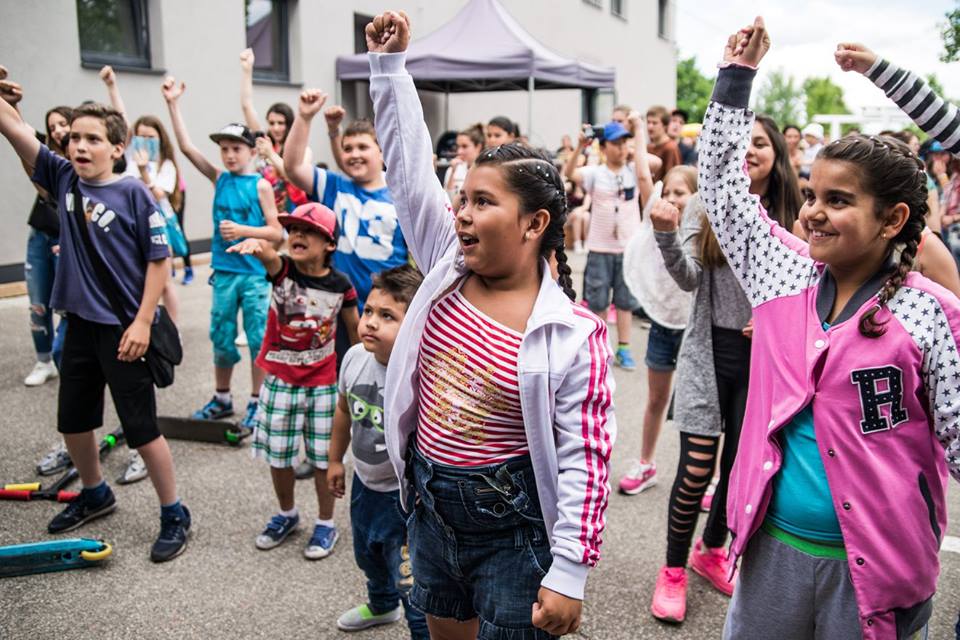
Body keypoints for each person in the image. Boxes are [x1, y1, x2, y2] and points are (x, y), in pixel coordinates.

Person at [705, 19, 960, 639]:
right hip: (771, 556)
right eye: (812, 194)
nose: (814, 212)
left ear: (893, 220)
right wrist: (735, 79)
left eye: (838, 201)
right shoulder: (781, 273)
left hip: (881, 576)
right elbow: (722, 191)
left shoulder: (929, 313)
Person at [366, 11, 616, 639]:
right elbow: (408, 170)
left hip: (514, 534)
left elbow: (585, 457)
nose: (462, 215)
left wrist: (570, 572)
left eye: (483, 203)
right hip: (431, 513)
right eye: (463, 200)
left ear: (534, 223)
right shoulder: (445, 269)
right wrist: (390, 68)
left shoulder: (572, 333)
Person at [0, 83, 191, 561]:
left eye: (93, 139)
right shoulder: (63, 177)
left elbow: (159, 260)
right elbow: (15, 131)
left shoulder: (134, 193)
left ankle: (174, 512)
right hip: (79, 326)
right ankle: (95, 492)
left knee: (142, 429)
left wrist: (143, 323)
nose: (80, 147)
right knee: (74, 422)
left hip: (124, 329)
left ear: (117, 148)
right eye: (74, 139)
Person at [647, 110, 800, 623]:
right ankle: (672, 570)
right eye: (742, 142)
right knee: (695, 470)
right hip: (709, 352)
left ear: (777, 155)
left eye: (761, 143)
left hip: (765, 361)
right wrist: (666, 234)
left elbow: (812, 283)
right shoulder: (708, 203)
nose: (750, 150)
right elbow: (689, 278)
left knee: (737, 469)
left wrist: (777, 317)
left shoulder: (793, 212)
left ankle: (711, 549)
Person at [226, 202, 358, 560]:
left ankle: (326, 523)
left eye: (309, 231)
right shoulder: (282, 271)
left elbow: (354, 330)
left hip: (324, 384)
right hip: (281, 381)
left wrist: (359, 374)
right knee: (279, 453)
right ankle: (287, 514)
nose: (298, 235)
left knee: (323, 457)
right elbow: (269, 255)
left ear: (329, 244)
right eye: (294, 229)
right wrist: (256, 244)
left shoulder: (341, 285)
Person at [162, 76, 283, 431]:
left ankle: (257, 402)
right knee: (221, 336)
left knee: (258, 338)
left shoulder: (261, 185)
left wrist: (245, 231)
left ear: (251, 151)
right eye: (224, 149)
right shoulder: (220, 178)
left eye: (236, 149)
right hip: (225, 272)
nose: (229, 155)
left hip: (255, 274)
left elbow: (277, 231)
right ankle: (222, 397)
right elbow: (186, 148)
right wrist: (172, 103)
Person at [328, 264, 429, 639]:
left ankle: (421, 629)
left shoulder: (418, 375)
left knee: (411, 581)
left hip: (404, 498)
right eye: (369, 310)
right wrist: (334, 460)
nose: (370, 322)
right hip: (364, 484)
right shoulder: (354, 357)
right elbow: (343, 410)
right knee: (367, 553)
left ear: (415, 325)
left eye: (388, 316)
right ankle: (382, 604)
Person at [283, 97, 408, 309]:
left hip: (385, 308)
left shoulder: (402, 194)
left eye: (362, 147)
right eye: (348, 149)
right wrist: (304, 117)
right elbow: (293, 167)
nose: (354, 154)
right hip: (335, 307)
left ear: (382, 152)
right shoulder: (333, 185)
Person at [618, 165, 696, 496]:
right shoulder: (658, 223)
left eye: (681, 192)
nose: (672, 198)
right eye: (669, 192)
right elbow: (642, 175)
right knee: (656, 398)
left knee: (703, 407)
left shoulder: (706, 232)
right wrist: (636, 137)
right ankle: (646, 463)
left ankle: (713, 476)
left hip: (696, 324)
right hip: (664, 322)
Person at [564, 119, 643, 370]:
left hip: (627, 249)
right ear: (604, 146)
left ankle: (624, 348)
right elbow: (569, 173)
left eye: (624, 143)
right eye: (616, 143)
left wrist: (637, 139)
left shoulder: (635, 169)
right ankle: (600, 348)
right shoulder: (595, 173)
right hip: (599, 248)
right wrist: (580, 146)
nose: (622, 148)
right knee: (598, 303)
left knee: (625, 302)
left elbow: (655, 163)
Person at [24, 105, 71, 387]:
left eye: (62, 123)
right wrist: (13, 105)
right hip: (41, 232)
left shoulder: (79, 162)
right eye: (52, 127)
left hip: (66, 238)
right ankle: (44, 361)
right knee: (38, 302)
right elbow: (18, 132)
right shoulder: (46, 156)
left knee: (67, 305)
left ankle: (64, 358)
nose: (57, 131)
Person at [239, 48, 310, 214]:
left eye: (281, 123)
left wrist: (271, 154)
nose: (276, 127)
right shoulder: (265, 141)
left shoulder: (303, 150)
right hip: (265, 212)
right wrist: (247, 70)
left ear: (289, 124)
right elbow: (247, 106)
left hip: (293, 213)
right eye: (271, 123)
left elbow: (296, 177)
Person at [443, 123, 483, 209]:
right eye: (458, 146)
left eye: (464, 146)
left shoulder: (485, 170)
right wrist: (452, 172)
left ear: (478, 147)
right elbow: (447, 203)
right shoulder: (453, 169)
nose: (459, 151)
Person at [646, 105, 681, 182]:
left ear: (665, 125)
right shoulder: (648, 147)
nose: (650, 127)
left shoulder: (670, 147)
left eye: (654, 123)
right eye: (648, 122)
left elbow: (672, 178)